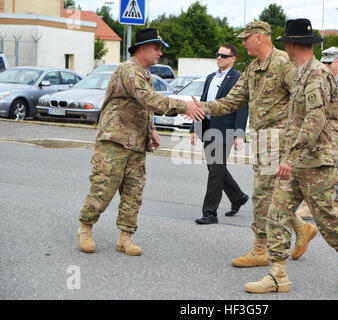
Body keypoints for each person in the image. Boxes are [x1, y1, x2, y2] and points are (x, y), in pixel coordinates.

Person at [244, 19, 338, 294]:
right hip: (297, 159)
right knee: (276, 213)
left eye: (286, 44)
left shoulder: (315, 75)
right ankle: (277, 275)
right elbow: (297, 120)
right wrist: (289, 156)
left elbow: (315, 118)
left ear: (291, 45)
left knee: (327, 220)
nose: (285, 49)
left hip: (315, 162)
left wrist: (291, 158)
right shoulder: (301, 73)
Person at [191, 21, 318, 267]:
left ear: (259, 37)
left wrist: (294, 143)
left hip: (279, 140)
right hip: (262, 140)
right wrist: (202, 107)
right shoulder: (252, 68)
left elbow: (302, 103)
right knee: (272, 197)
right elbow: (232, 101)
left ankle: (261, 248)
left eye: (246, 38)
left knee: (262, 195)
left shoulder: (283, 64)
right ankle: (302, 229)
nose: (242, 43)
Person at [77, 28, 204, 256]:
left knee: (134, 193)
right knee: (103, 188)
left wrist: (152, 130)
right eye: (157, 48)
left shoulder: (145, 74)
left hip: (136, 142)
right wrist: (184, 105)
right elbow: (149, 99)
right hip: (115, 141)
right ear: (142, 48)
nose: (160, 53)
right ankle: (85, 227)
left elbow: (143, 106)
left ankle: (125, 237)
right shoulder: (129, 71)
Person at [296, 46, 338, 219]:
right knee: (312, 171)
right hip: (316, 136)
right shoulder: (317, 80)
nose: (325, 65)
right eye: (323, 62)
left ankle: (335, 205)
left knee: (337, 173)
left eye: (329, 62)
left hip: (336, 137)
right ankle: (309, 205)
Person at [190, 44, 249, 225]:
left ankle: (210, 213)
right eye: (218, 55)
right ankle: (238, 197)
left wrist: (239, 133)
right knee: (215, 168)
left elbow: (242, 106)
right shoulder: (210, 78)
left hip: (225, 130)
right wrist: (194, 127)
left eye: (224, 56)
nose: (219, 58)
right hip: (207, 127)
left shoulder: (238, 79)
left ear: (233, 59)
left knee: (216, 170)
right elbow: (201, 103)